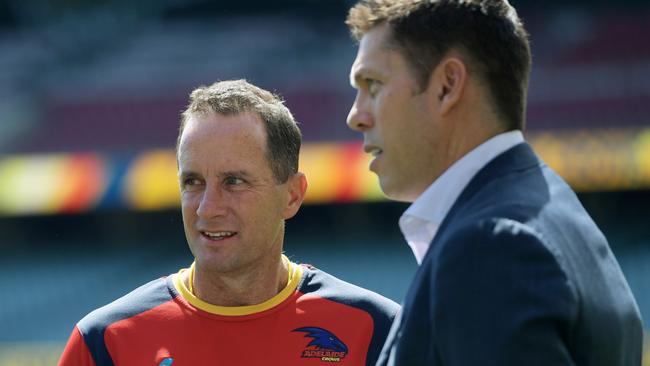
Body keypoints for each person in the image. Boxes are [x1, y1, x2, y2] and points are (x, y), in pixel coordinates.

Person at [345, 1, 643, 365]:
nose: (355, 116)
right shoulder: (550, 209)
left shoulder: (490, 244)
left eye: (372, 85)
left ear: (447, 85)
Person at [59, 79, 399, 366]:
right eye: (193, 182)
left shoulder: (379, 331)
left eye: (234, 182)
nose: (208, 208)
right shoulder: (104, 342)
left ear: (292, 196)